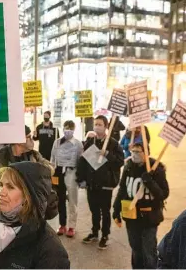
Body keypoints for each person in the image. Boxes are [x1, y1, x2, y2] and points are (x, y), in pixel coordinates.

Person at [0, 162, 70, 268]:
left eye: (10, 187)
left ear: (28, 196)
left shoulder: (50, 249)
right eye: (1, 185)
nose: (0, 192)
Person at [113, 143, 169, 269]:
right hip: (131, 216)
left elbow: (163, 194)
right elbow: (122, 190)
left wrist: (150, 182)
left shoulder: (156, 170)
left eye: (138, 152)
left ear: (146, 153)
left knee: (149, 252)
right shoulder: (128, 168)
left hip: (149, 218)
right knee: (136, 250)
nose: (134, 155)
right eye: (133, 151)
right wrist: (116, 209)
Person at [76, 115, 124, 249]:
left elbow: (120, 162)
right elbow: (83, 161)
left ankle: (105, 235)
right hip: (91, 184)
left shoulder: (113, 143)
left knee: (105, 211)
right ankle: (94, 232)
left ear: (106, 127)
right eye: (95, 124)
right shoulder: (90, 142)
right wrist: (81, 179)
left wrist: (107, 154)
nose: (97, 127)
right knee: (94, 210)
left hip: (106, 185)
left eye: (100, 124)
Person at [0, 125, 53, 205]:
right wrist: (13, 189)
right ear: (19, 141)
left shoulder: (33, 154)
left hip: (28, 207)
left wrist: (37, 171)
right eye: (28, 137)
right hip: (7, 207)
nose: (31, 140)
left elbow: (50, 168)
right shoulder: (1, 157)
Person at [50, 120, 83, 237]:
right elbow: (52, 159)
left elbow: (81, 161)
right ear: (63, 128)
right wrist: (52, 172)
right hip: (59, 172)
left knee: (73, 200)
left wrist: (81, 177)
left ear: (74, 130)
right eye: (66, 128)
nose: (67, 130)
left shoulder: (78, 144)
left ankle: (72, 226)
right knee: (60, 199)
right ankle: (62, 224)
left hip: (72, 172)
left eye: (70, 128)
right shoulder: (57, 142)